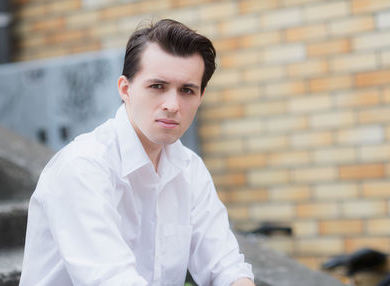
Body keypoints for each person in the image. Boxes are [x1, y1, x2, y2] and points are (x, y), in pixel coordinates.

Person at [19, 19, 255, 286]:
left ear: (200, 97)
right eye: (157, 86)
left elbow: (224, 265)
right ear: (125, 89)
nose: (173, 105)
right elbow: (111, 279)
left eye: (187, 90)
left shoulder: (191, 169)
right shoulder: (83, 166)